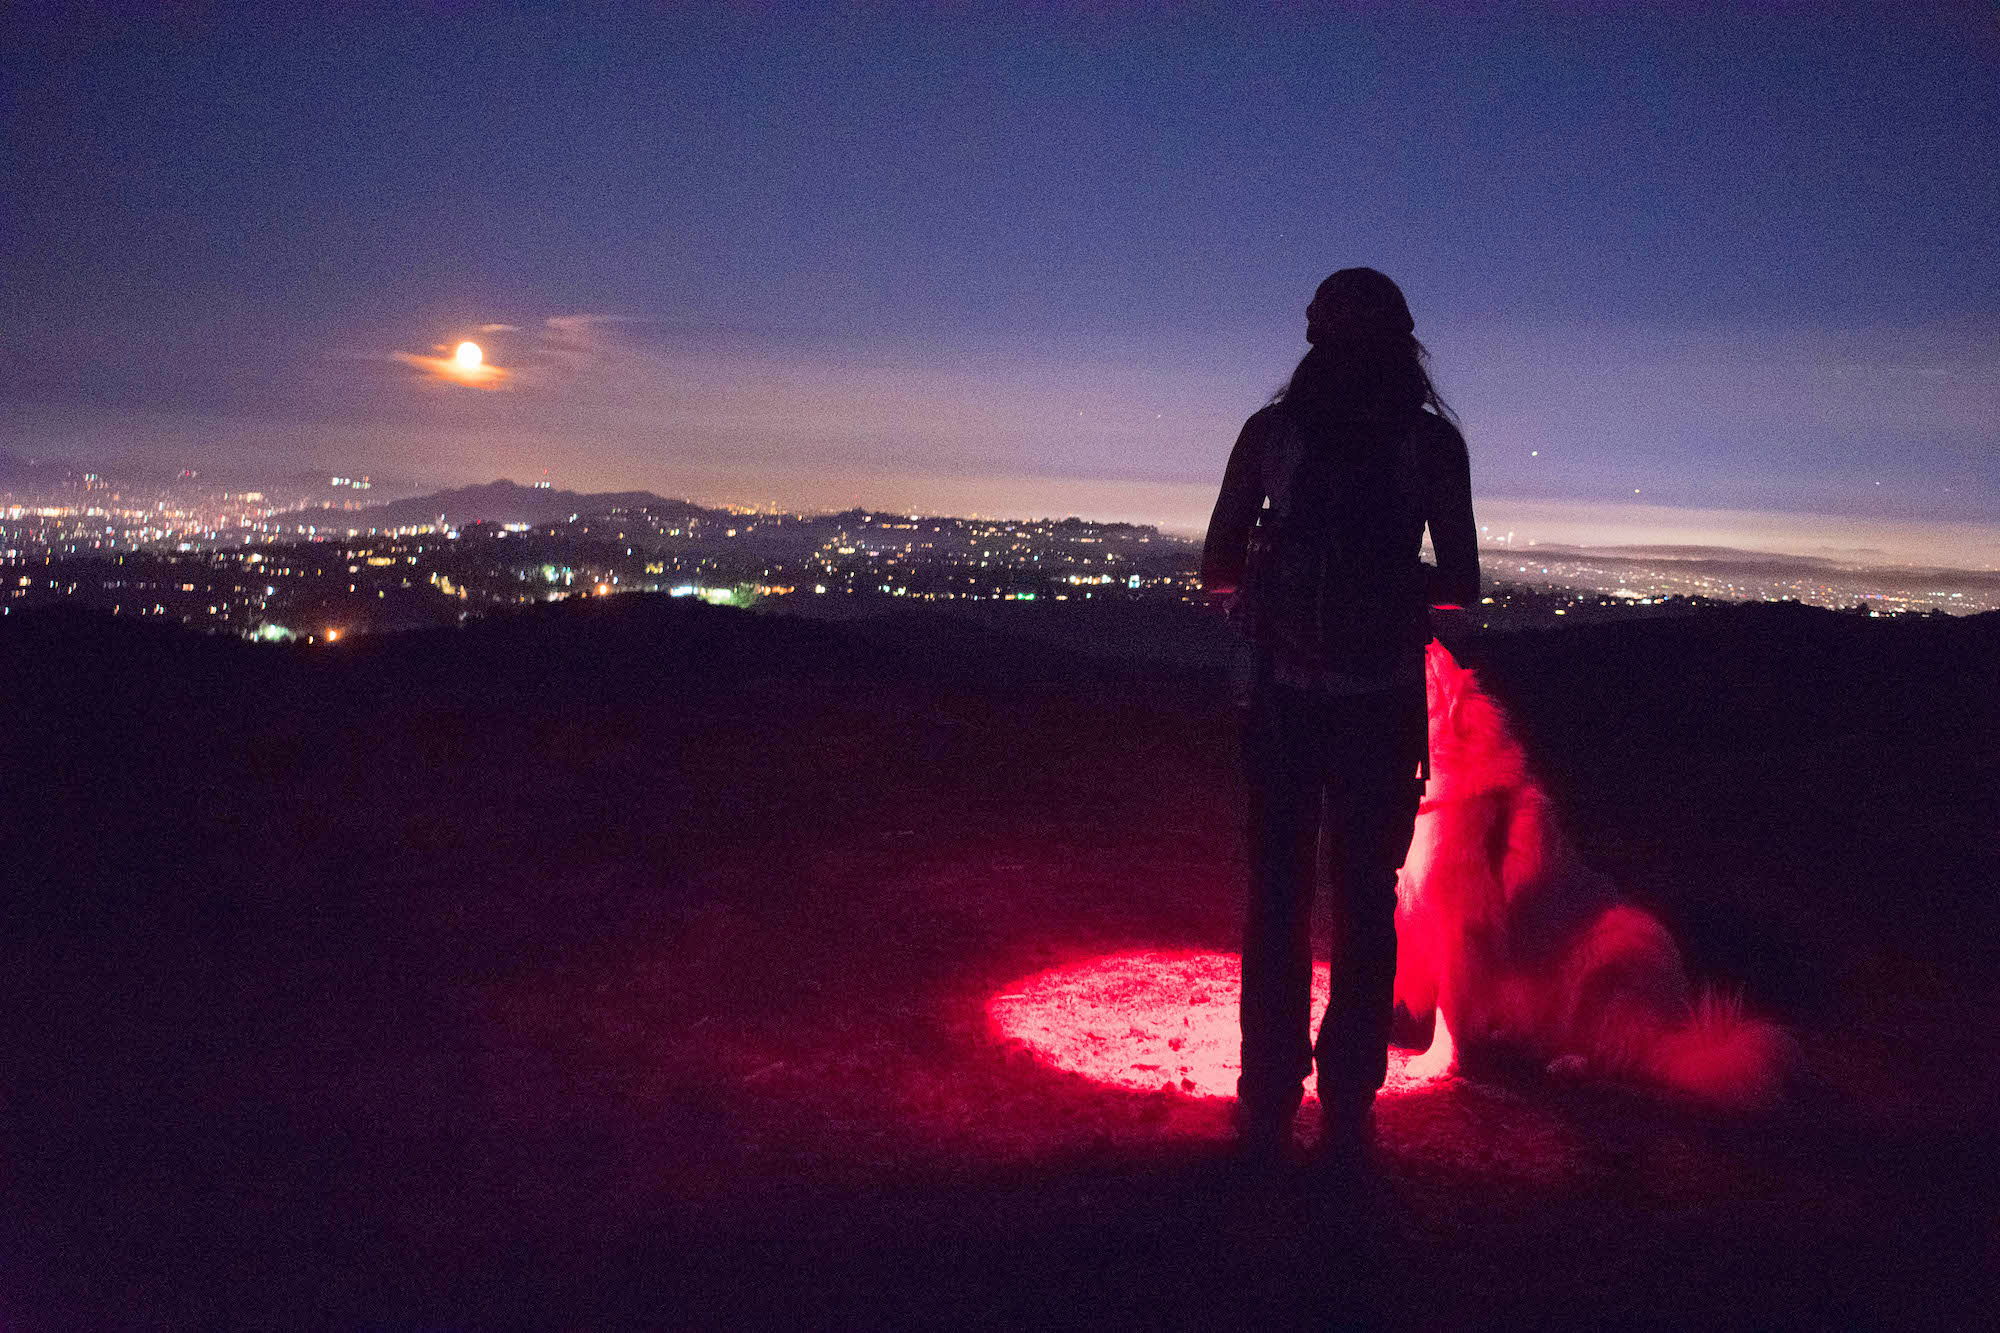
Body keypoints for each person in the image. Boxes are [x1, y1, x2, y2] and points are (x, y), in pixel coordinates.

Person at [1201, 267, 1478, 1166]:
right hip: (1383, 702)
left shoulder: (1272, 435)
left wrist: (1281, 586)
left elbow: (1218, 566)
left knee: (1275, 896)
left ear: (1313, 341)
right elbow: (1461, 587)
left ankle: (1268, 1093)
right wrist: (1392, 589)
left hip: (1283, 696)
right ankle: (1349, 1098)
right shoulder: (1432, 447)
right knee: (1366, 902)